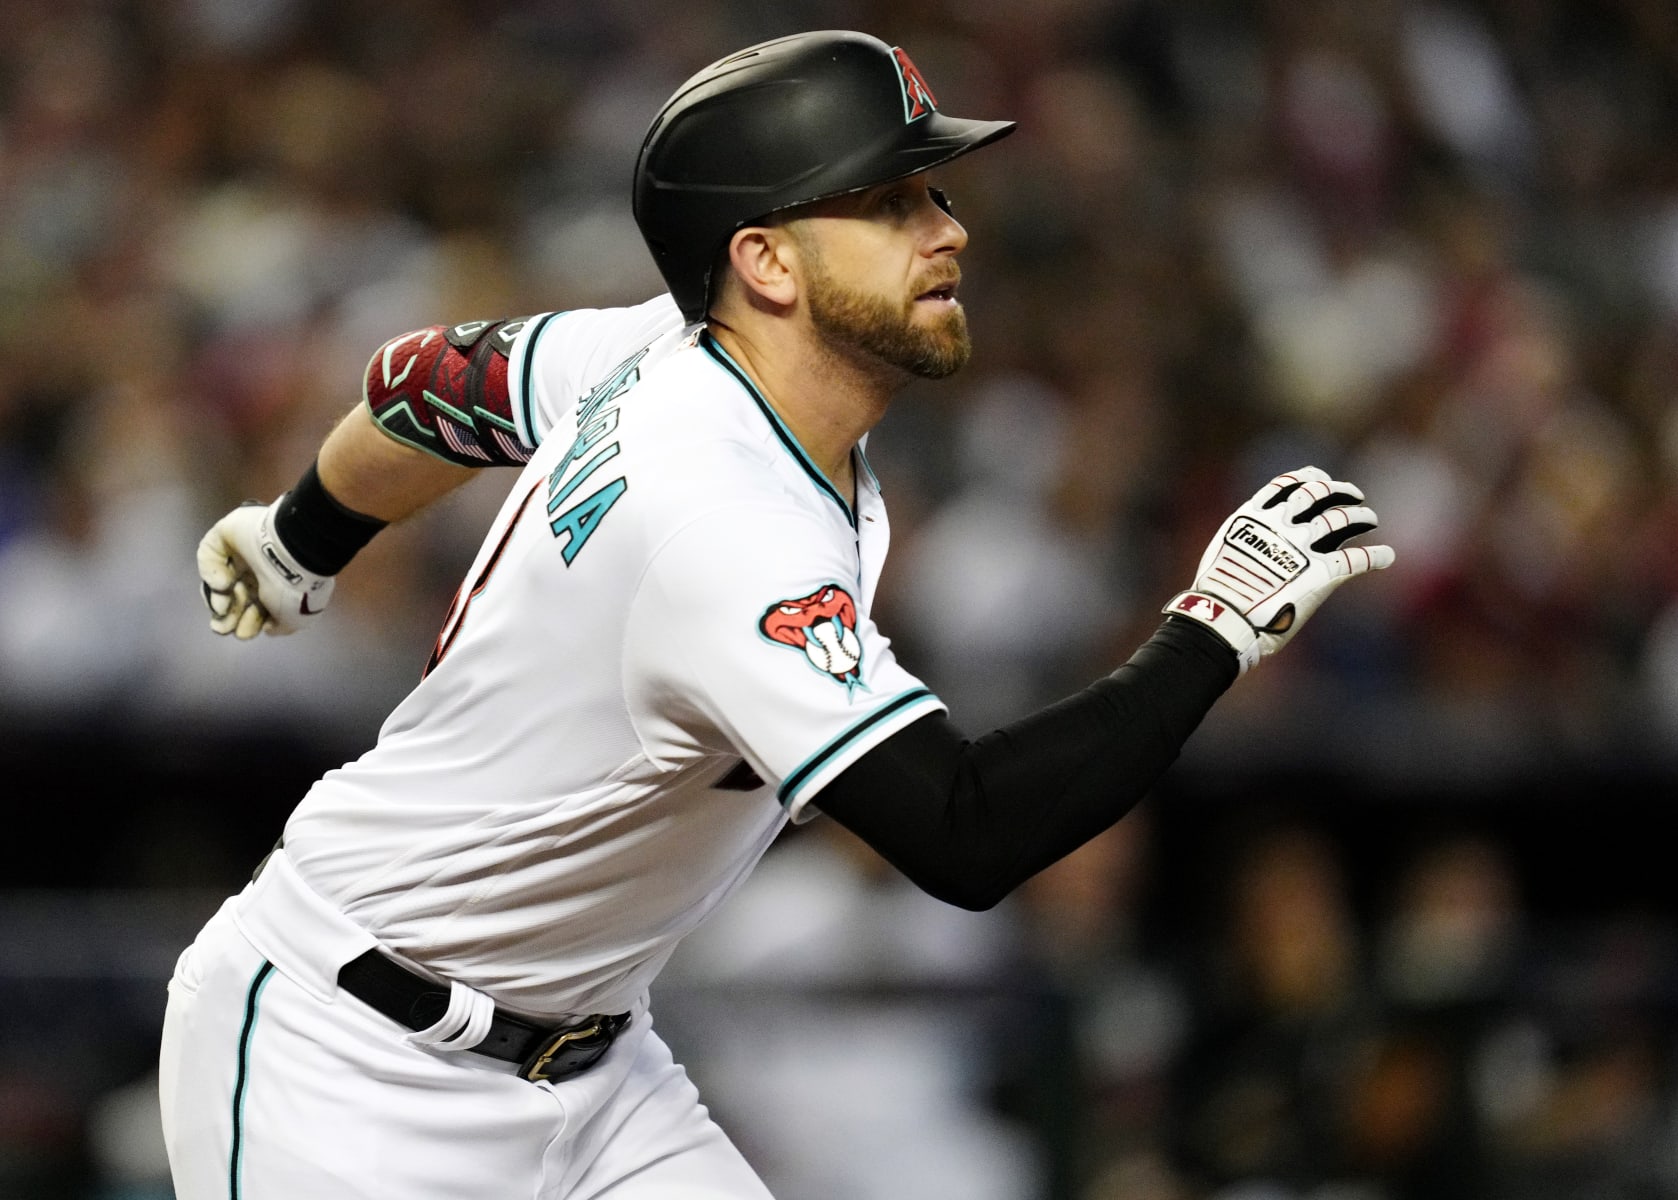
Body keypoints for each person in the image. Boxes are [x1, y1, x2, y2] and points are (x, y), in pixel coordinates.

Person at [161, 29, 1394, 1200]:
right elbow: (964, 834)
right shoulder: (721, 520)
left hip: (595, 1073)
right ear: (764, 261)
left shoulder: (664, 351)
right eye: (893, 202)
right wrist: (1211, 630)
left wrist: (299, 535)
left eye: (939, 196)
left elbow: (431, 383)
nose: (947, 231)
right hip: (342, 1064)